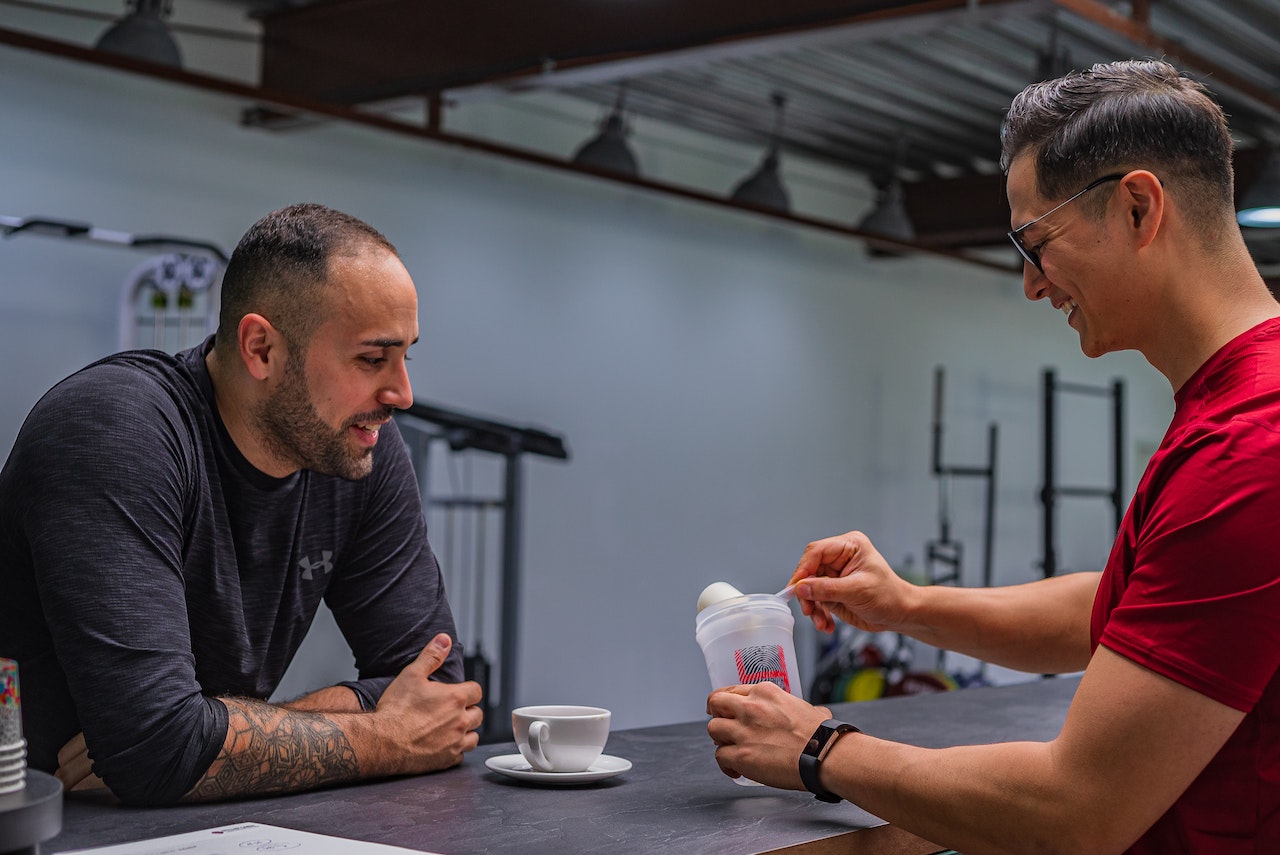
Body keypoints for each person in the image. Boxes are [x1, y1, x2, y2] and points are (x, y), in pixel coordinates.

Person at [707, 59, 1280, 854]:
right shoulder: (1241, 405)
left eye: (1035, 242)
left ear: (1139, 206)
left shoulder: (1251, 446)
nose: (1030, 285)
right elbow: (1126, 607)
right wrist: (904, 605)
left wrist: (819, 748)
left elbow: (1076, 810)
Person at [0, 203, 484, 806]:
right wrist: (384, 736)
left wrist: (204, 745)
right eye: (371, 359)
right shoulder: (113, 429)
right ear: (260, 348)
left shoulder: (360, 451)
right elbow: (158, 747)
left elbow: (439, 692)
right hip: (38, 818)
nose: (402, 395)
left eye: (406, 356)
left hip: (177, 820)